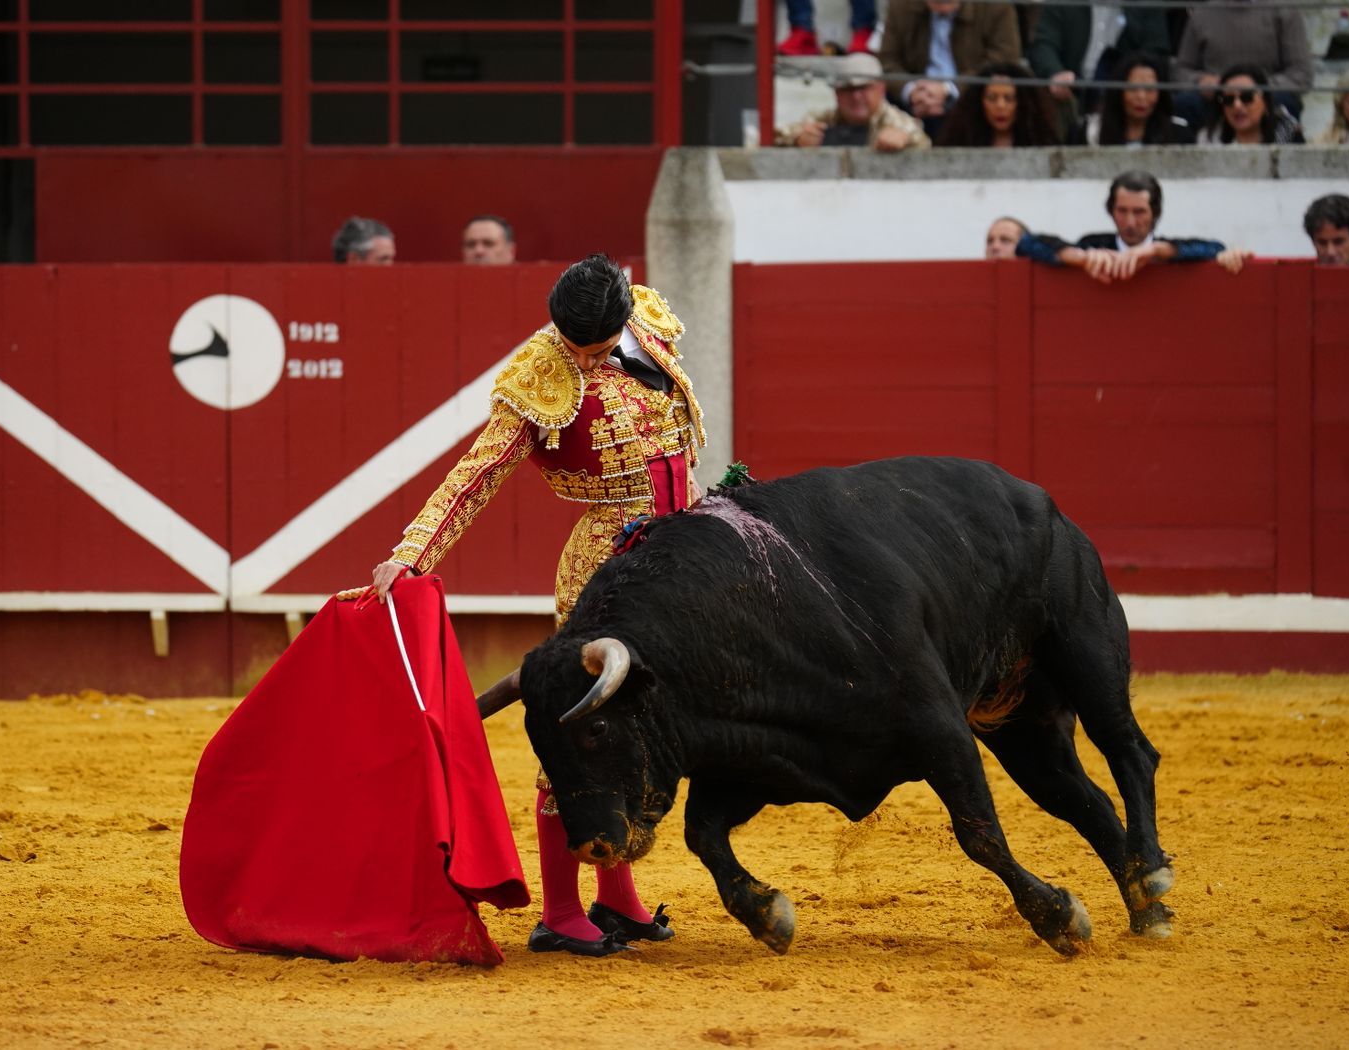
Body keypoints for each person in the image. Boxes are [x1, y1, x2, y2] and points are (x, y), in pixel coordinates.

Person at [370, 255, 704, 957]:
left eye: (597, 348)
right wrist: (413, 554)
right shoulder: (539, 375)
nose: (584, 359)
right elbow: (479, 473)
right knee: (580, 728)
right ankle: (559, 908)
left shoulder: (644, 318)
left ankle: (618, 896)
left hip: (681, 555)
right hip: (606, 567)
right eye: (575, 347)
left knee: (642, 727)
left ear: (621, 323)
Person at [1017, 170, 1252, 282]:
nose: (1130, 222)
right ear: (1111, 211)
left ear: (1155, 213)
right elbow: (1025, 243)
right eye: (1122, 211)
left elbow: (1214, 248)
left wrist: (1155, 251)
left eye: (1139, 212)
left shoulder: (1167, 251)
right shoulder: (1092, 245)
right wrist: (1078, 257)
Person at [878, 0, 1023, 136]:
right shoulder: (901, 3)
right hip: (916, 102)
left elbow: (1005, 60)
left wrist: (951, 90)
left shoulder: (996, 5)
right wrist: (910, 91)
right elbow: (887, 60)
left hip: (974, 100)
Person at [1026, 0, 1171, 135]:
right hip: (1074, 90)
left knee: (1140, 97)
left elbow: (1156, 52)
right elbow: (1043, 45)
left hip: (1123, 89)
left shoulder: (1145, 1)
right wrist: (1055, 72)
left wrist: (1134, 80)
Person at [1174, 0, 1312, 127]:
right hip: (1215, 99)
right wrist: (1201, 81)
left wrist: (1257, 87)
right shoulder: (1202, 14)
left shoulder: (1285, 11)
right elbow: (1181, 71)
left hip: (1266, 97)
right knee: (1184, 104)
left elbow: (1300, 74)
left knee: (1285, 103)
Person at [776, 52, 931, 150]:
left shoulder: (897, 122)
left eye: (864, 88)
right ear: (836, 93)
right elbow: (774, 136)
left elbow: (923, 143)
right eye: (848, 89)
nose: (856, 97)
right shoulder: (821, 121)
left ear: (881, 89)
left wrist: (906, 142)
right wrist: (797, 138)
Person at [936, 62, 1059, 146]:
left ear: (1023, 103)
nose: (1000, 106)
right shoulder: (962, 141)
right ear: (979, 102)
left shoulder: (1040, 142)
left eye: (1009, 98)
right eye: (992, 98)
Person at [1086, 52, 1192, 146]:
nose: (1141, 97)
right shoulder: (1092, 131)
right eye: (1133, 88)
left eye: (1149, 89)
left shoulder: (1179, 134)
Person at [1197, 64, 1304, 146]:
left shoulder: (1288, 135)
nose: (1237, 105)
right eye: (1228, 99)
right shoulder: (1208, 140)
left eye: (1246, 98)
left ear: (1265, 102)